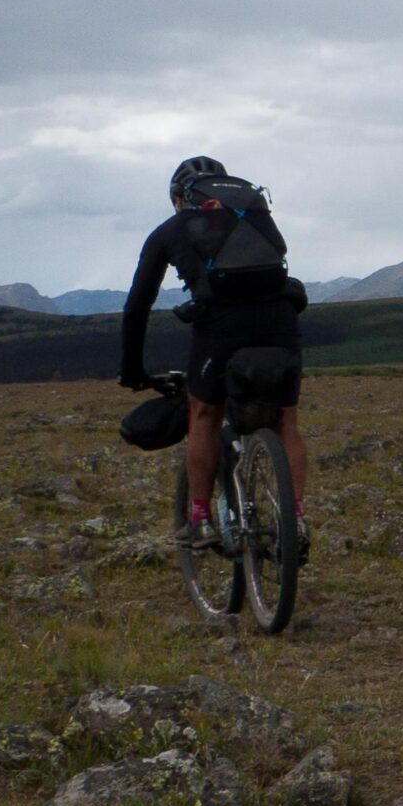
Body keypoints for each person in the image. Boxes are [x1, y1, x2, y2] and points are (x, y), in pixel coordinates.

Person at [118, 156, 310, 553]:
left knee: (204, 414)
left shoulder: (170, 230)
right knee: (286, 421)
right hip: (281, 318)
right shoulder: (251, 218)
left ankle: (201, 518)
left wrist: (132, 369)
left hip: (220, 327)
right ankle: (296, 520)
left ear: (178, 198)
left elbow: (138, 306)